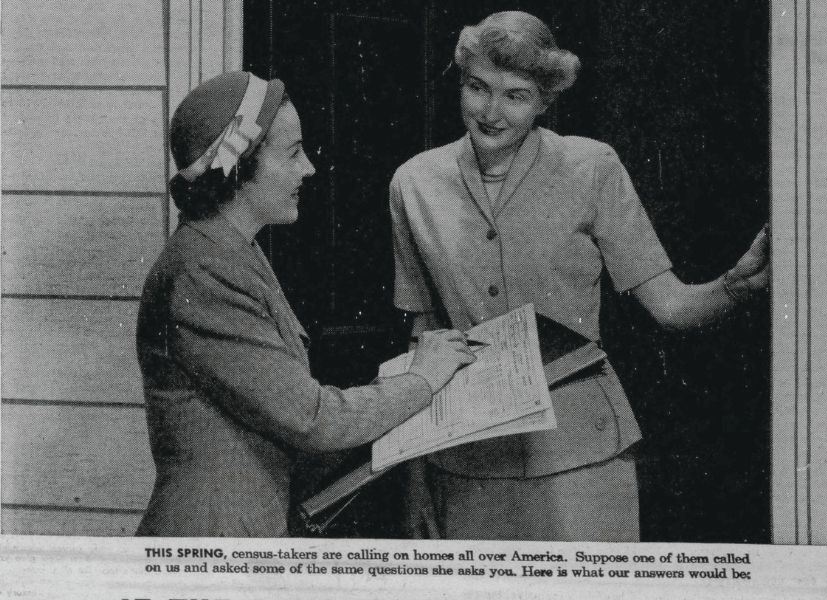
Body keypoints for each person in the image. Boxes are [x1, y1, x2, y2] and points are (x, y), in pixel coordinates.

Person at [390, 11, 769, 542]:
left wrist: (735, 285)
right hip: (466, 460)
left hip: (584, 455)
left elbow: (671, 306)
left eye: (516, 95)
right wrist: (415, 480)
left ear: (546, 101)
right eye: (478, 88)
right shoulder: (413, 183)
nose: (491, 111)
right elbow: (422, 343)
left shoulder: (592, 167)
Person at [135, 71, 475, 537]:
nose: (309, 169)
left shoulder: (232, 251)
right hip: (211, 539)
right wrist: (421, 380)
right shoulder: (205, 269)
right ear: (238, 166)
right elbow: (311, 419)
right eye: (293, 153)